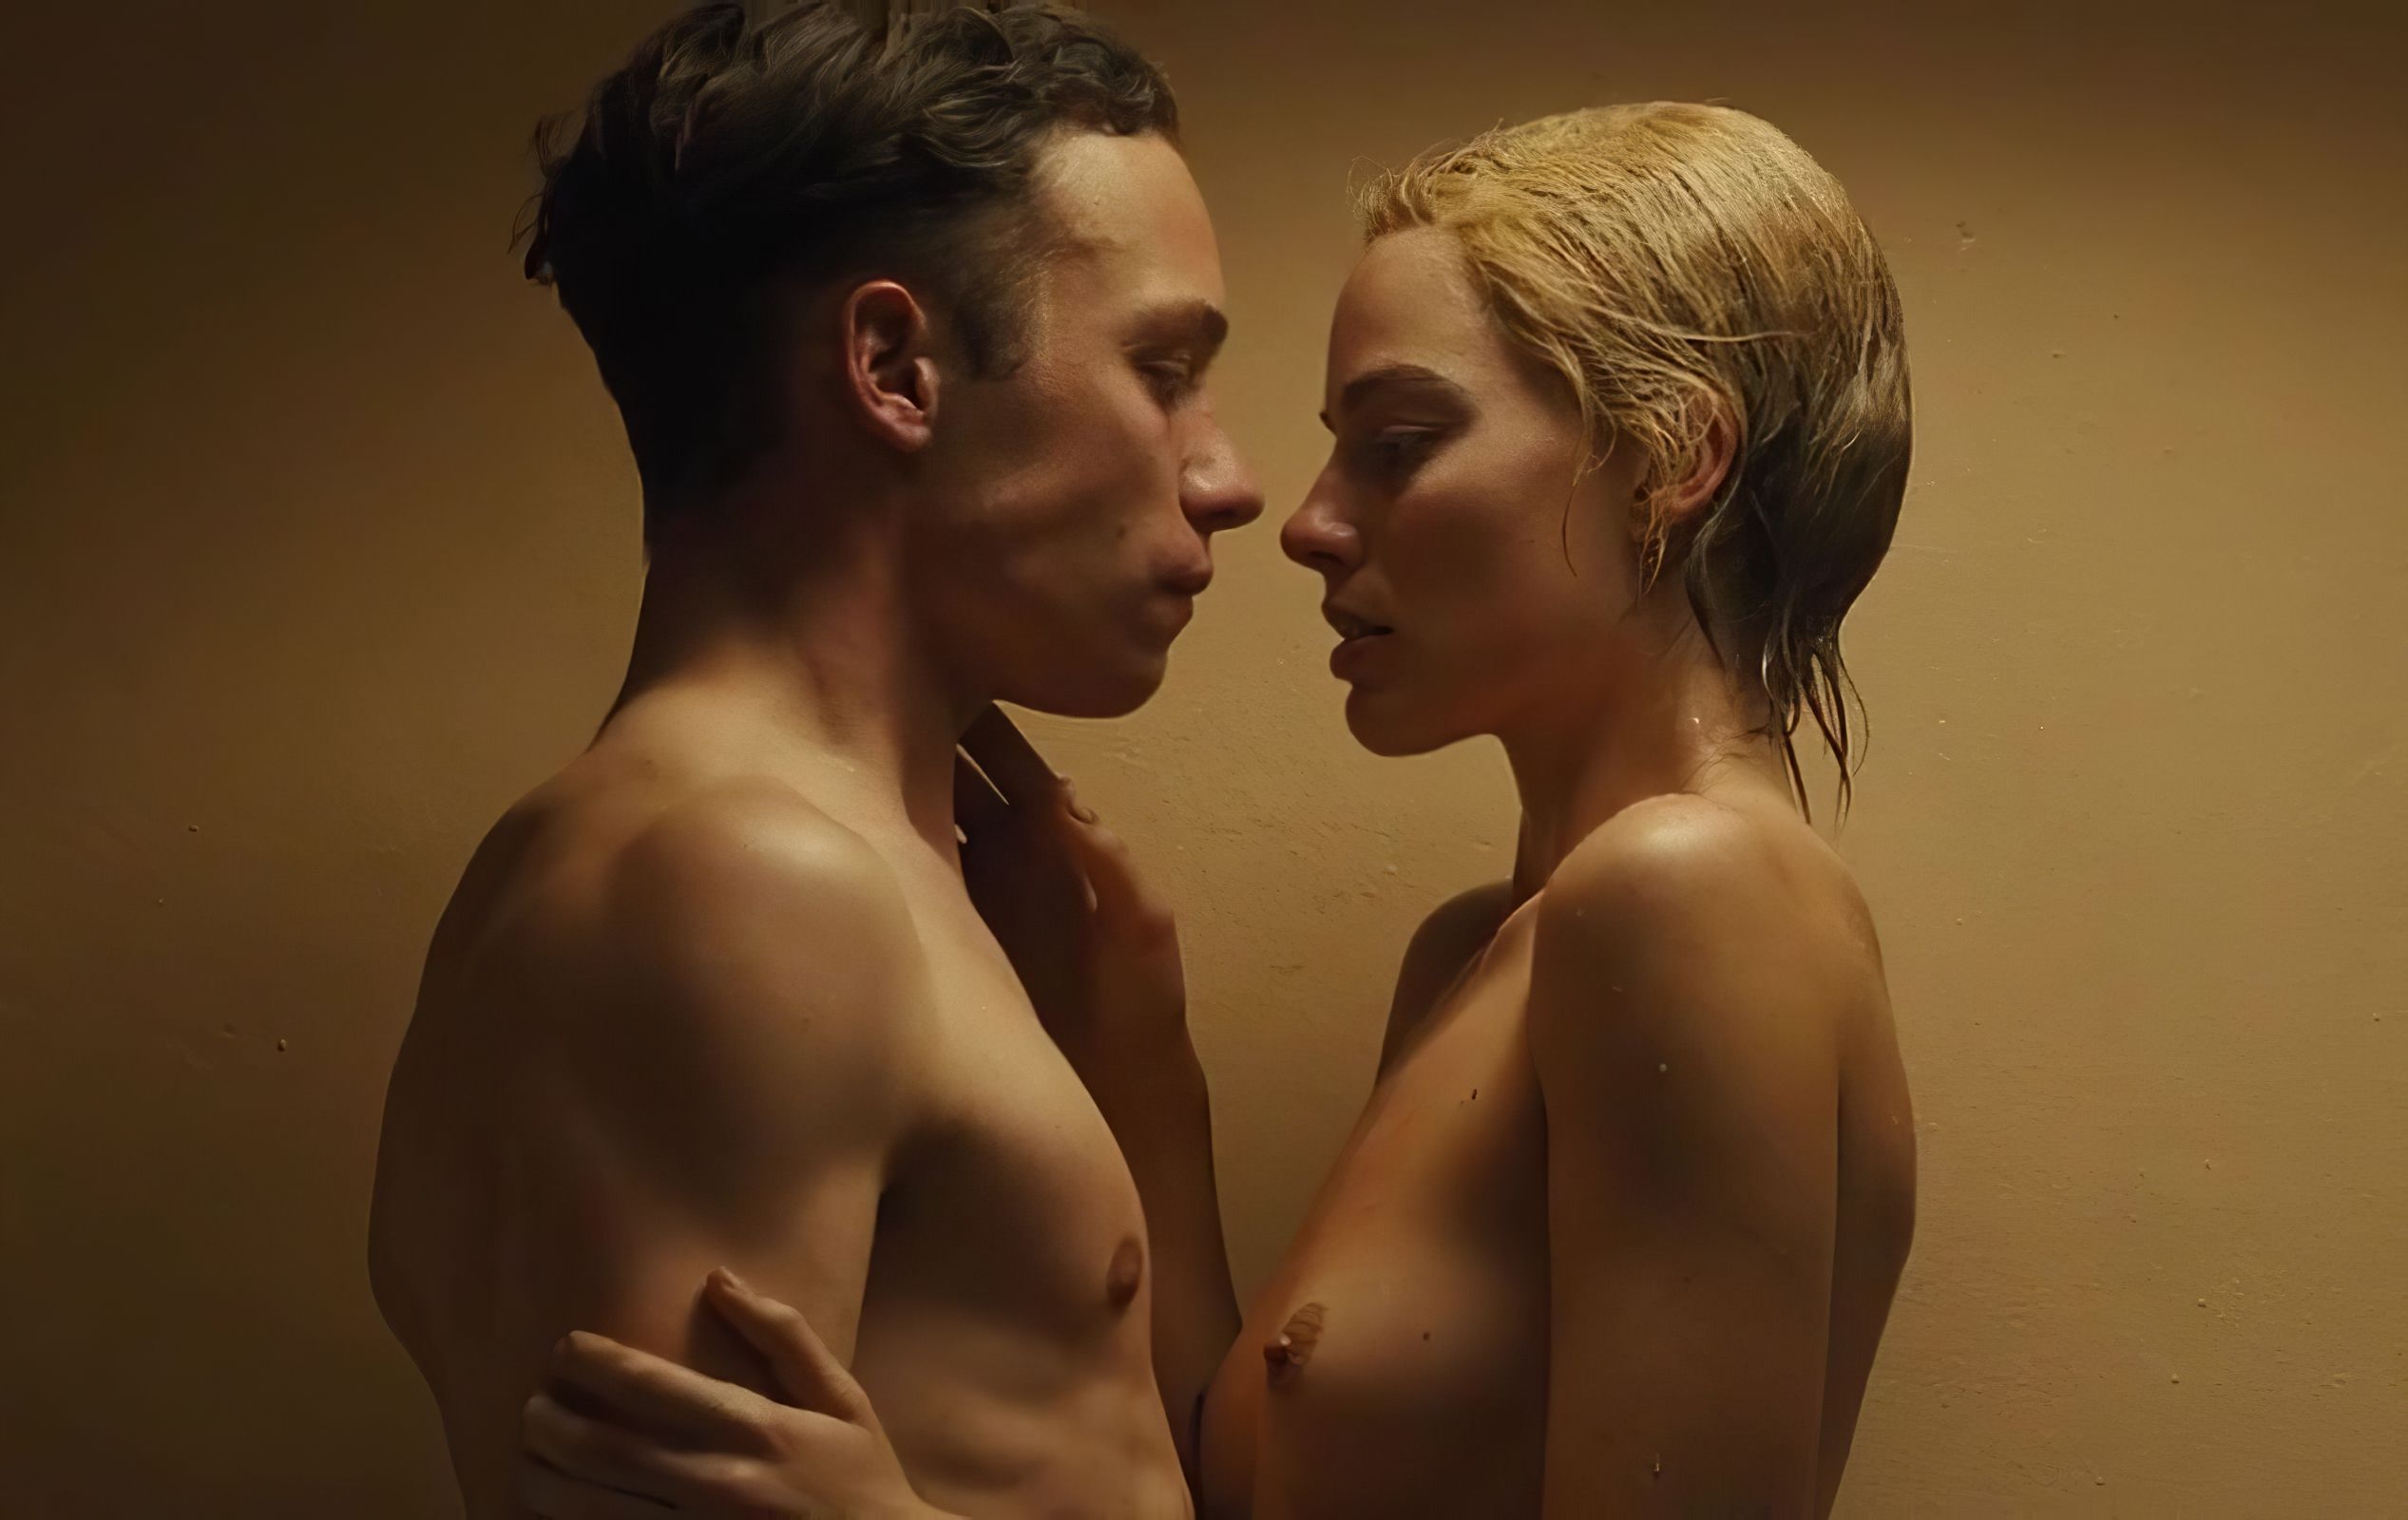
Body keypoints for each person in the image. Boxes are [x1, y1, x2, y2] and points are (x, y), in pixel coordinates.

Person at [523, 100, 1921, 1519]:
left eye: (1399, 442)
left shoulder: (1687, 894)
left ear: (1672, 459)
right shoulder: (1479, 952)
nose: (1306, 521)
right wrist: (1143, 1072)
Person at [364, 3, 1262, 1516]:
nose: (1228, 479)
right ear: (894, 366)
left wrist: (1142, 1082)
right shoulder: (741, 889)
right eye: (1162, 368)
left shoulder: (795, 872)